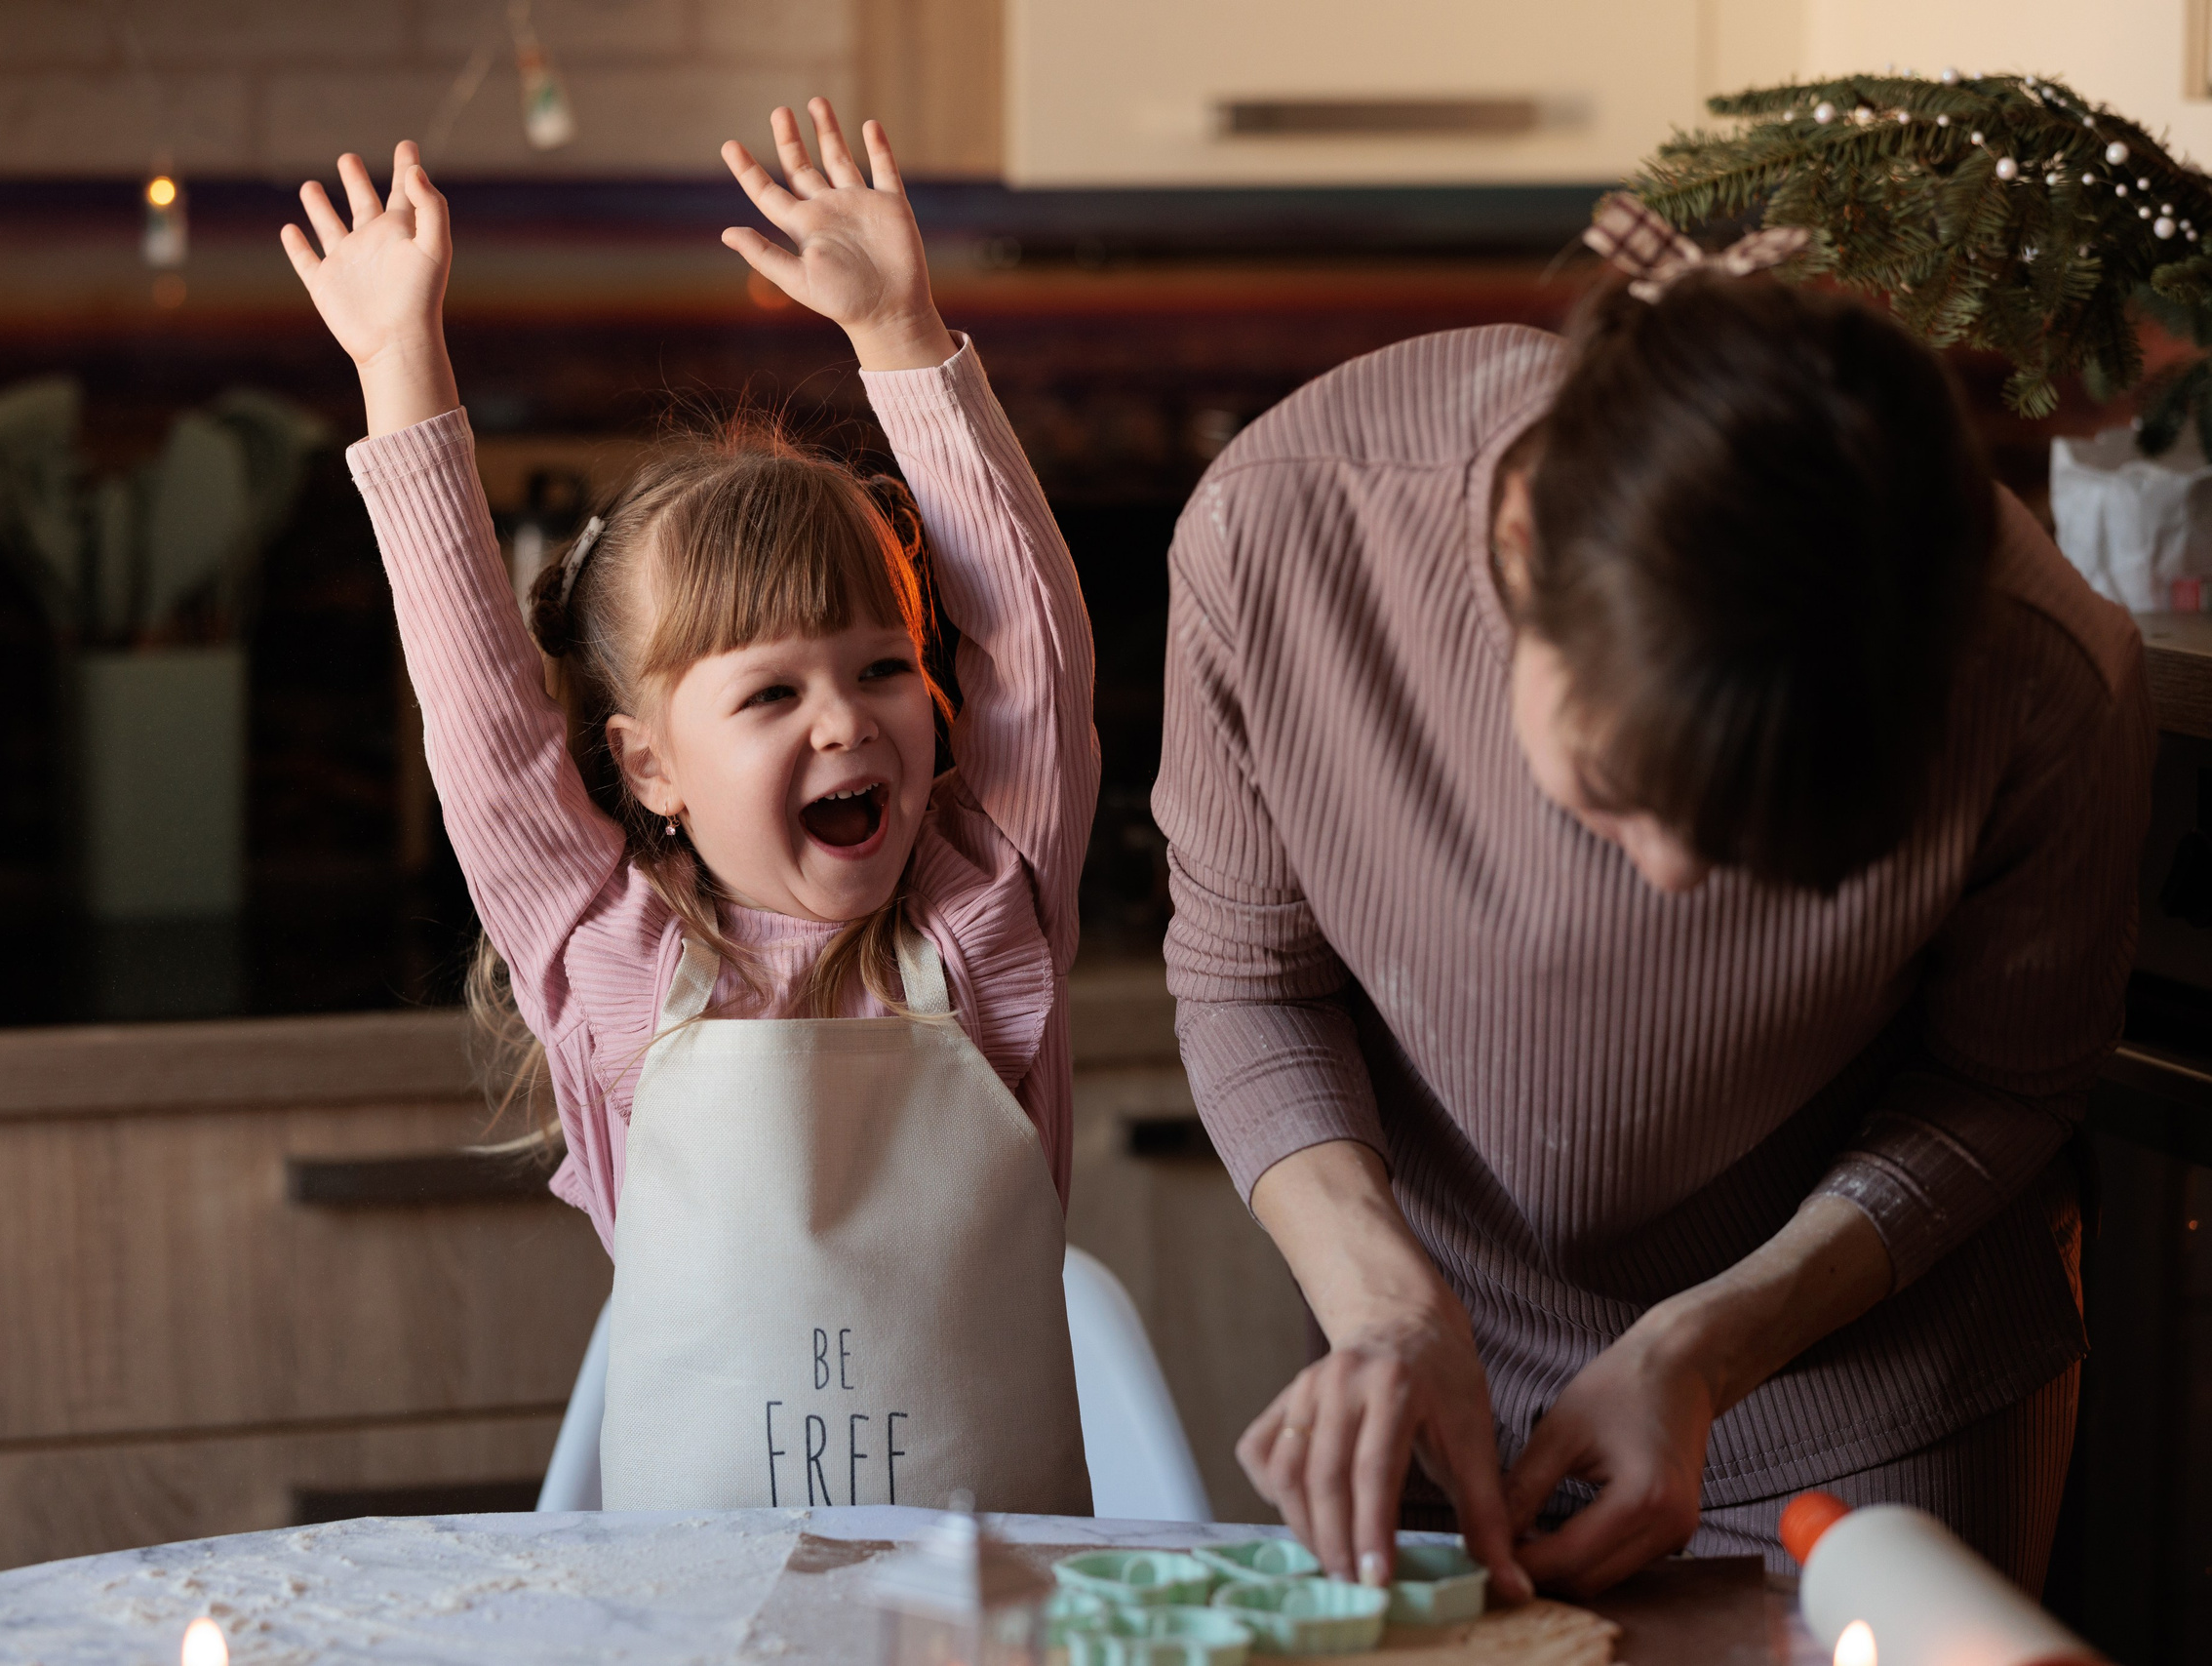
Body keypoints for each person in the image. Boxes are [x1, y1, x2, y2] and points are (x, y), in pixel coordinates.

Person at [1153, 220, 2152, 1599]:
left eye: (1770, 841)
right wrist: (1384, 1310)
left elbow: (2002, 1083)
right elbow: (1252, 981)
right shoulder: (1287, 533)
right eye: (1615, 791)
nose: (1678, 879)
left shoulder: (2041, 669)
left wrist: (1709, 1348)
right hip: (1436, 1383)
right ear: (1521, 548)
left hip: (1876, 1406)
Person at [281, 99, 1098, 1515]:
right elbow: (480, 714)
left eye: (883, 667)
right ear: (649, 767)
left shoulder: (985, 914)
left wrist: (900, 334)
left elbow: (1034, 652)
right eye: (770, 693)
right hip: (689, 1611)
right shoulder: (608, 955)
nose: (844, 720)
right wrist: (399, 363)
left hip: (992, 1605)